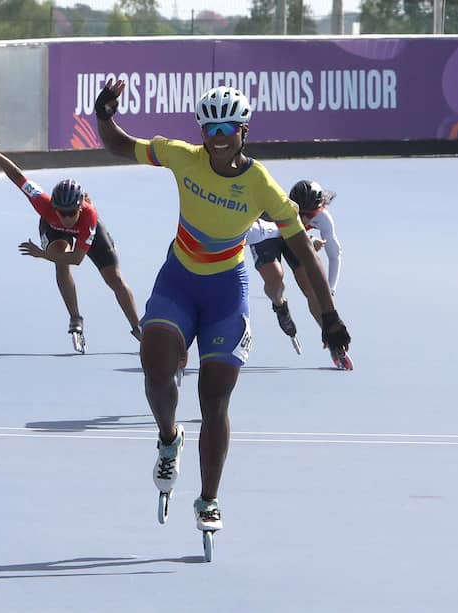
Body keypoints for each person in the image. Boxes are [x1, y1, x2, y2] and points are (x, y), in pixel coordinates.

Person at [94, 81, 352, 534]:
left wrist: (329, 317)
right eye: (209, 125)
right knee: (155, 369)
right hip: (178, 279)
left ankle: (209, 498)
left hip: (225, 292)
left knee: (214, 400)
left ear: (243, 130)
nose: (217, 134)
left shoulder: (262, 185)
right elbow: (119, 145)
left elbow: (306, 254)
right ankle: (169, 439)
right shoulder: (181, 155)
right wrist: (104, 116)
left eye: (227, 126)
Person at [0, 122, 142, 348]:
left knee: (115, 279)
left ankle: (138, 328)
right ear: (53, 206)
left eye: (71, 213)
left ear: (80, 208)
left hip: (85, 234)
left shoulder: (88, 216)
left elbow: (78, 259)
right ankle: (75, 316)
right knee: (59, 257)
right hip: (52, 230)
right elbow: (16, 175)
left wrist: (41, 254)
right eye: (61, 212)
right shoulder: (44, 204)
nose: (66, 217)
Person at [245, 179, 342, 341]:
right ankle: (279, 305)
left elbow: (335, 256)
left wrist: (329, 291)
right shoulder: (277, 208)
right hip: (269, 235)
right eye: (299, 213)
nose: (303, 219)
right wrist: (310, 239)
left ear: (320, 209)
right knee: (275, 277)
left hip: (294, 236)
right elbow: (273, 231)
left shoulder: (324, 219)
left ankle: (330, 335)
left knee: (313, 289)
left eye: (309, 215)